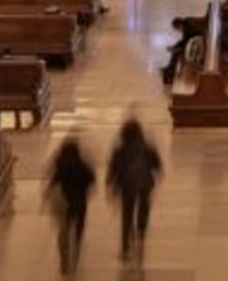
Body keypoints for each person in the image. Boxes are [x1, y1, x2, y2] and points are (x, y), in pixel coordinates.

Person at [107, 118, 163, 264]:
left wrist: (111, 185)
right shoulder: (147, 147)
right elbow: (157, 164)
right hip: (145, 184)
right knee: (143, 209)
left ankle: (125, 247)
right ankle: (141, 236)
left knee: (127, 215)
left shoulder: (120, 150)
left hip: (126, 186)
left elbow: (113, 169)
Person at [46, 137, 97, 275]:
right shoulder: (82, 165)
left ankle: (64, 260)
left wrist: (47, 196)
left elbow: (53, 182)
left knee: (64, 231)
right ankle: (75, 257)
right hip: (80, 203)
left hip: (64, 203)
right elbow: (92, 179)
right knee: (79, 230)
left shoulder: (60, 164)